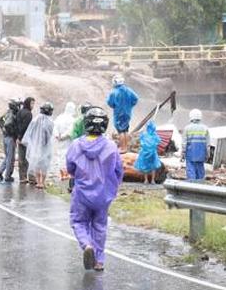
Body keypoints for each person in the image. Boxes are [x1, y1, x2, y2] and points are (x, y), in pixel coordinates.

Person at [66, 107, 123, 272]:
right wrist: (112, 187)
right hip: (103, 194)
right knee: (100, 226)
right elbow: (118, 170)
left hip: (82, 193)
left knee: (78, 221)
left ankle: (86, 244)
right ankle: (99, 260)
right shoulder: (111, 146)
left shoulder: (76, 145)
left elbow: (70, 167)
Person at [22, 102, 55, 189]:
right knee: (45, 164)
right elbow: (51, 135)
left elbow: (30, 132)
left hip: (36, 146)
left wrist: (33, 142)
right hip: (46, 146)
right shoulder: (51, 122)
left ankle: (38, 182)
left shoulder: (35, 120)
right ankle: (42, 182)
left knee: (36, 163)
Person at [107, 75, 139, 152]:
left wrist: (114, 106)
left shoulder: (114, 92)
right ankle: (126, 147)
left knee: (120, 131)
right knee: (126, 130)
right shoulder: (129, 90)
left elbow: (109, 102)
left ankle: (122, 148)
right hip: (128, 112)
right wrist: (130, 105)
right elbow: (136, 98)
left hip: (118, 113)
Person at [0, 98, 22, 183]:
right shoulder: (14, 114)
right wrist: (15, 134)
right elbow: (7, 124)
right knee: (10, 158)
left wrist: (3, 129)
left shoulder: (8, 112)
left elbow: (0, 120)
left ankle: (0, 171)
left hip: (5, 137)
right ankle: (8, 176)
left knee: (7, 156)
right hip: (10, 138)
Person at [52, 101, 78, 181]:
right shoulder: (72, 120)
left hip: (59, 141)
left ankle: (62, 174)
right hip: (67, 141)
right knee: (67, 157)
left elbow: (54, 127)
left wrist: (57, 136)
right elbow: (70, 131)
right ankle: (66, 174)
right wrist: (63, 137)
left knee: (60, 157)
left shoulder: (59, 117)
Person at [183, 108, 210, 181]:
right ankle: (200, 189)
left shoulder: (187, 128)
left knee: (191, 172)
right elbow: (207, 145)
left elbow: (184, 143)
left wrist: (183, 154)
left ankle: (191, 188)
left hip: (190, 154)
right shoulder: (205, 128)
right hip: (201, 155)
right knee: (200, 173)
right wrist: (208, 155)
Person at [134, 119, 163, 184]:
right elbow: (159, 141)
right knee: (153, 166)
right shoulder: (154, 135)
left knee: (145, 165)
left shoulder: (144, 134)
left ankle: (146, 180)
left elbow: (140, 141)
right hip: (153, 153)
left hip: (144, 152)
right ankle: (153, 180)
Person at [16, 97, 35, 183]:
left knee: (21, 158)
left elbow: (17, 125)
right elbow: (26, 127)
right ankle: (27, 177)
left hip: (19, 138)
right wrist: (21, 138)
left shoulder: (20, 111)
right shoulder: (28, 114)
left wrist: (17, 137)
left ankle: (22, 177)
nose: (33, 106)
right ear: (28, 104)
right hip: (25, 139)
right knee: (26, 158)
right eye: (32, 104)